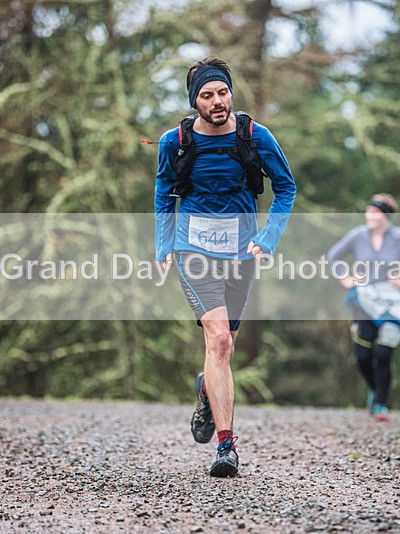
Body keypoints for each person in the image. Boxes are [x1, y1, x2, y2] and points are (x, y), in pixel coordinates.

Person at [154, 56, 296, 477]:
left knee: (226, 346)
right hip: (193, 249)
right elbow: (165, 192)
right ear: (194, 101)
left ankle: (206, 387)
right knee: (217, 340)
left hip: (241, 252)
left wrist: (268, 238)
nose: (217, 101)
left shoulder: (255, 136)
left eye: (222, 92)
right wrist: (164, 245)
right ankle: (226, 448)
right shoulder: (174, 142)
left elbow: (286, 188)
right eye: (207, 95)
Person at [326, 193, 400, 421]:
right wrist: (346, 278)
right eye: (368, 211)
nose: (369, 215)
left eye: (375, 212)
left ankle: (380, 404)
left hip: (392, 302)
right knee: (363, 356)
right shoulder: (358, 235)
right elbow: (333, 256)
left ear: (386, 215)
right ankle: (375, 391)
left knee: (383, 352)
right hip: (364, 300)